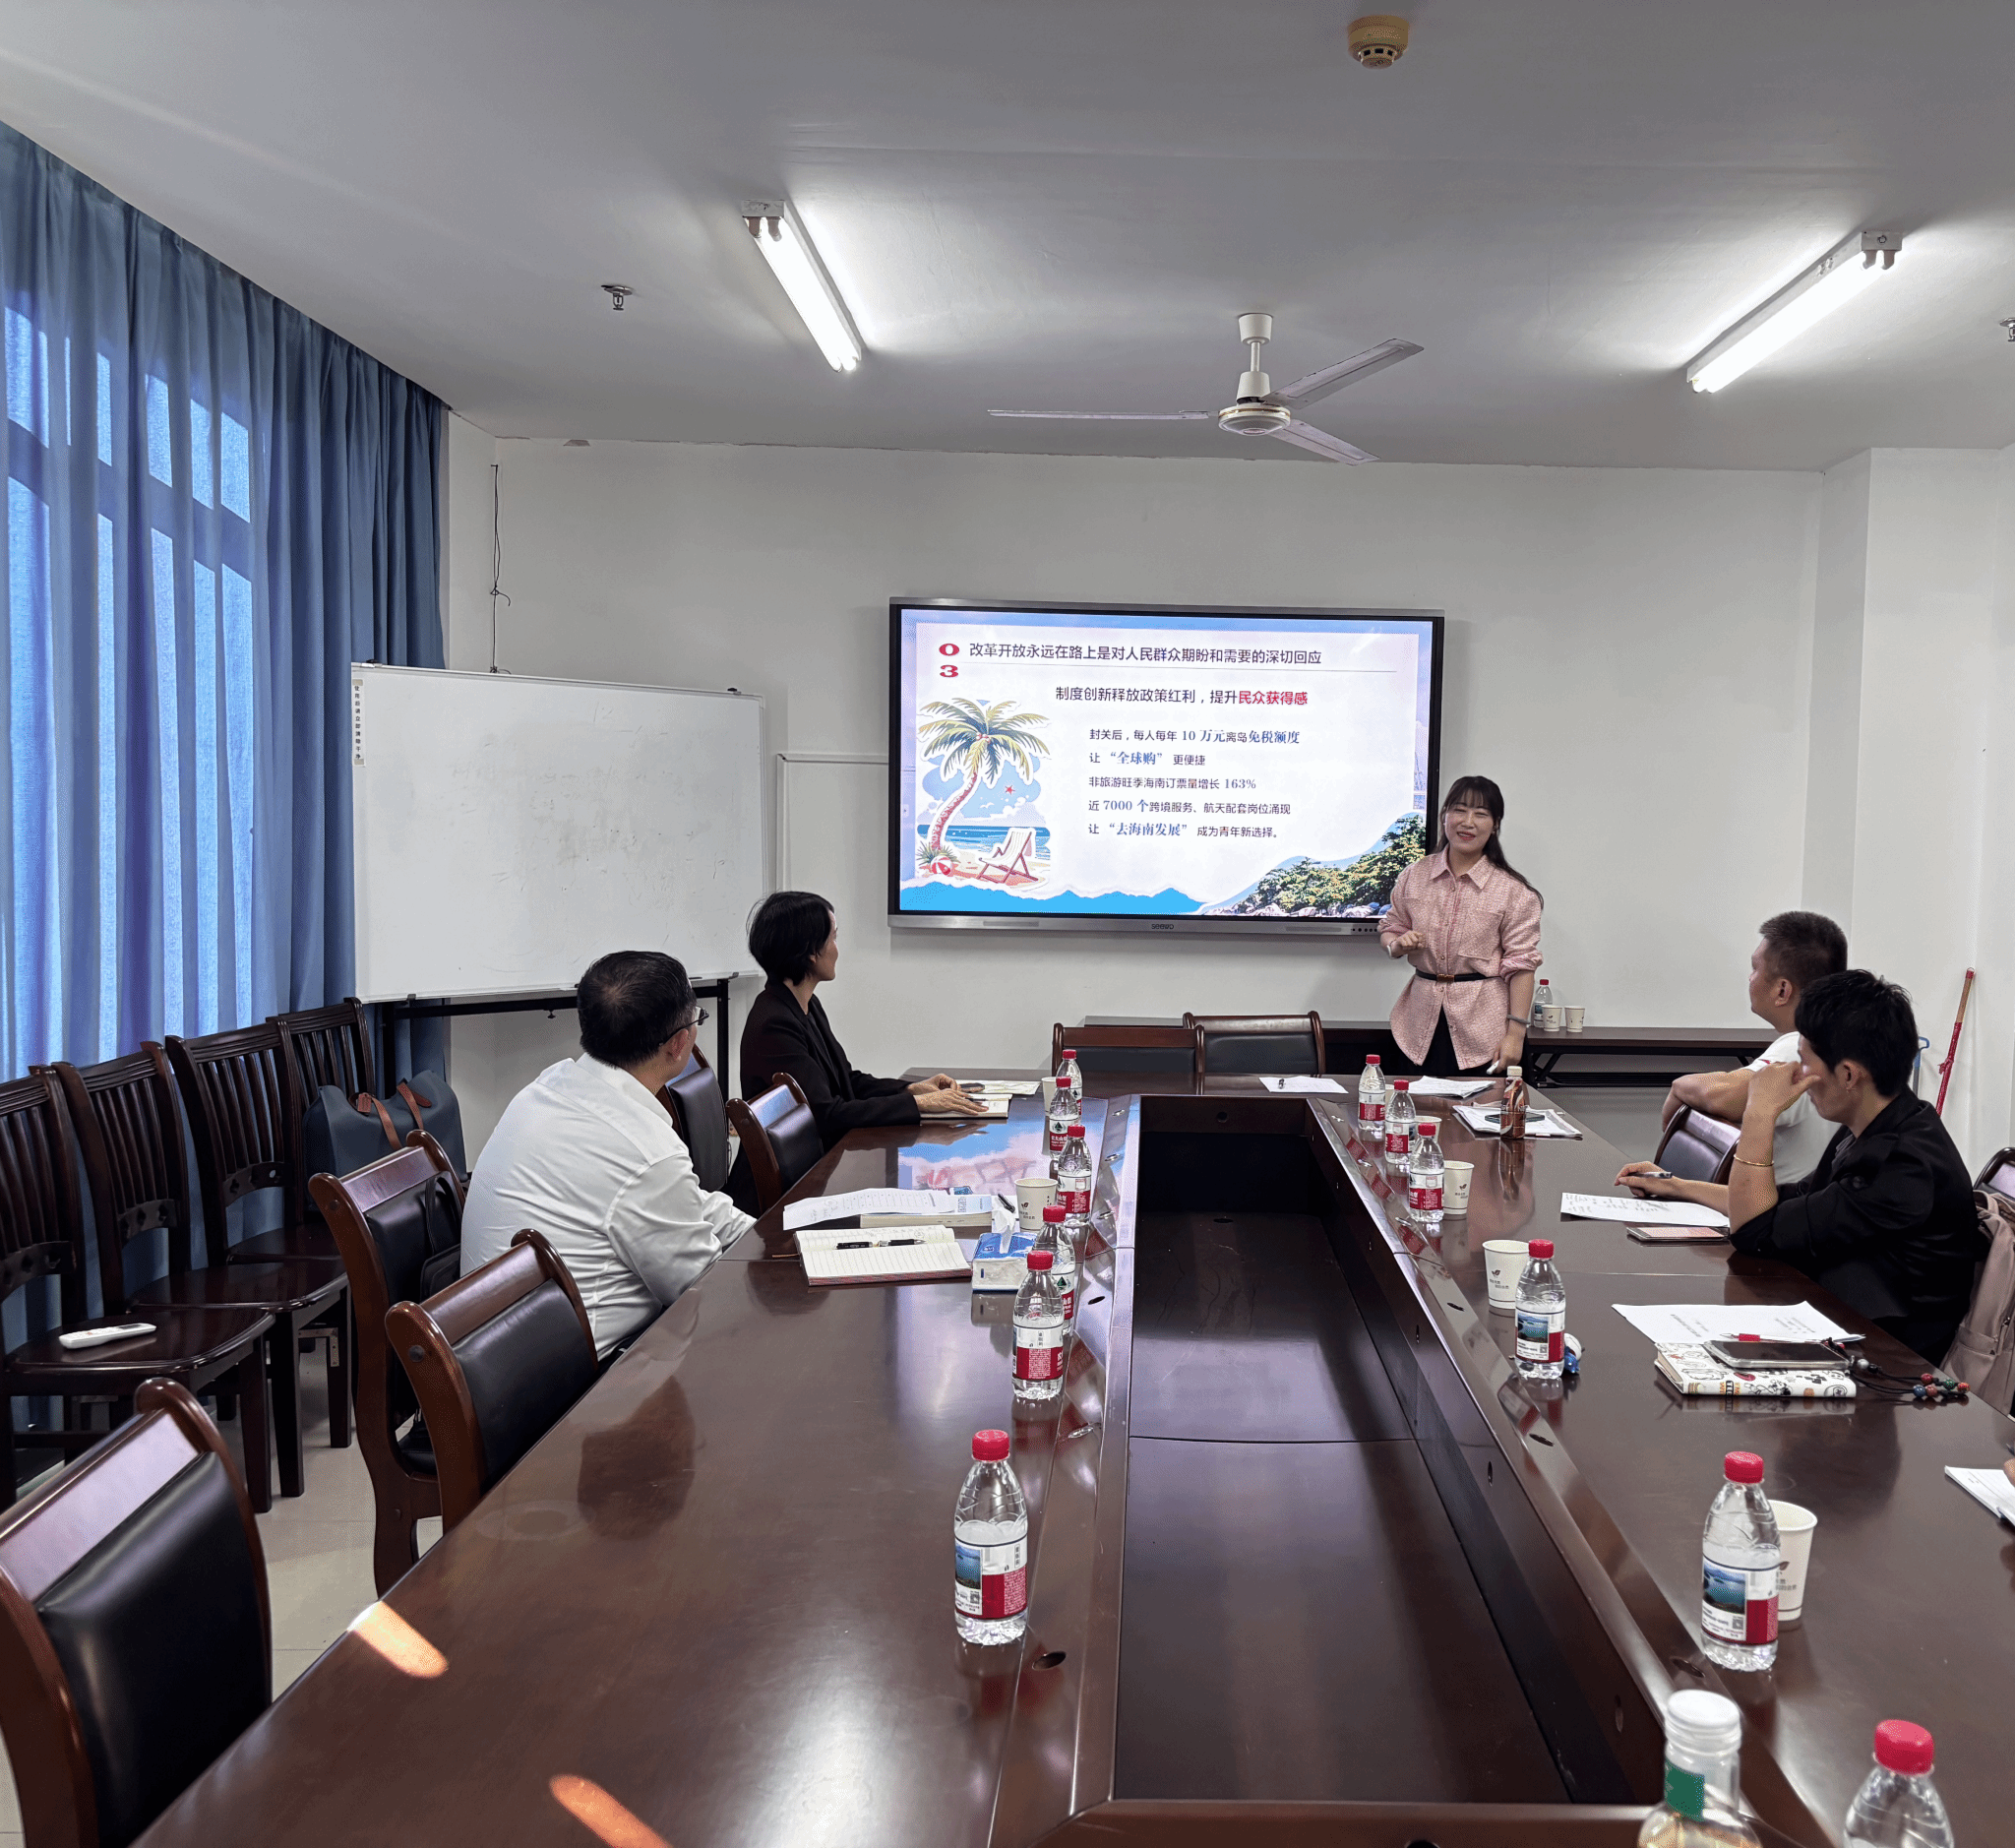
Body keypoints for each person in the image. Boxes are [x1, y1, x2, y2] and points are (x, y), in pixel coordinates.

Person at [1618, 970, 1984, 1363]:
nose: (1796, 1075)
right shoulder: (1882, 1122)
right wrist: (1676, 1186)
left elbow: (1755, 1232)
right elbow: (1784, 1203)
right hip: (1838, 1316)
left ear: (1847, 1075)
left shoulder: (1901, 1165)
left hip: (1886, 1358)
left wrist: (1760, 1111)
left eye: (1804, 1062)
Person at [462, 951, 752, 1360]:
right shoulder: (646, 1153)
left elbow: (682, 1202)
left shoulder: (549, 1086)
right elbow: (705, 1290)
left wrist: (764, 1232)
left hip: (492, 1357)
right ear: (679, 1044)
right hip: (587, 1381)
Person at [738, 890, 989, 1146]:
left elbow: (847, 1081)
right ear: (811, 951)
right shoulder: (774, 1024)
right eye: (833, 938)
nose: (837, 950)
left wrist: (909, 1089)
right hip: (804, 1169)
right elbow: (827, 1114)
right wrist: (916, 1104)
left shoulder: (807, 1005)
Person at [1661, 910, 1846, 1184]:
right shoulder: (1841, 1039)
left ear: (1782, 990)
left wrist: (1679, 1087)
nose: (1750, 978)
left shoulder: (1798, 1048)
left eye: (1755, 968)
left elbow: (1721, 1094)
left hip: (1776, 1205)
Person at [1378, 775, 1543, 1078]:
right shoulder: (1415, 875)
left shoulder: (1514, 892)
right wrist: (1396, 945)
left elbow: (1522, 966)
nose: (1468, 822)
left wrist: (1515, 1035)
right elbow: (1392, 926)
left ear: (1495, 825)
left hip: (1485, 1030)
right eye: (1459, 810)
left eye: (1480, 814)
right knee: (1412, 1107)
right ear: (1445, 816)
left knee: (1485, 1109)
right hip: (1417, 1026)